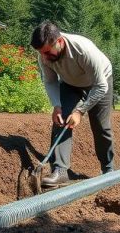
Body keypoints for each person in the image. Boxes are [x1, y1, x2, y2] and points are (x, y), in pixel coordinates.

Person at [30, 21, 115, 186]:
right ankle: (60, 170)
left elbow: (101, 86)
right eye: (41, 53)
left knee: (100, 125)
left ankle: (108, 169)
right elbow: (50, 81)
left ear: (59, 42)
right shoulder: (44, 56)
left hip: (99, 82)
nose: (44, 57)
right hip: (70, 83)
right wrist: (56, 105)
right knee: (60, 121)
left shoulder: (83, 50)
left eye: (47, 52)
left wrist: (80, 111)